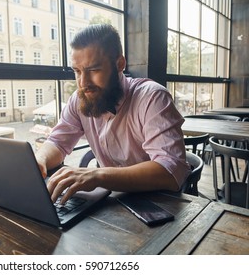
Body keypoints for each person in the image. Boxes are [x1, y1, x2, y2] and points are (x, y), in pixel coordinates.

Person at [35, 24, 190, 204]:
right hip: (114, 203)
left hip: (159, 204)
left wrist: (98, 175)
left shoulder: (152, 97)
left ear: (120, 64)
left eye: (93, 70)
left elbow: (170, 171)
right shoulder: (79, 99)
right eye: (77, 71)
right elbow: (57, 142)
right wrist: (40, 160)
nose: (83, 82)